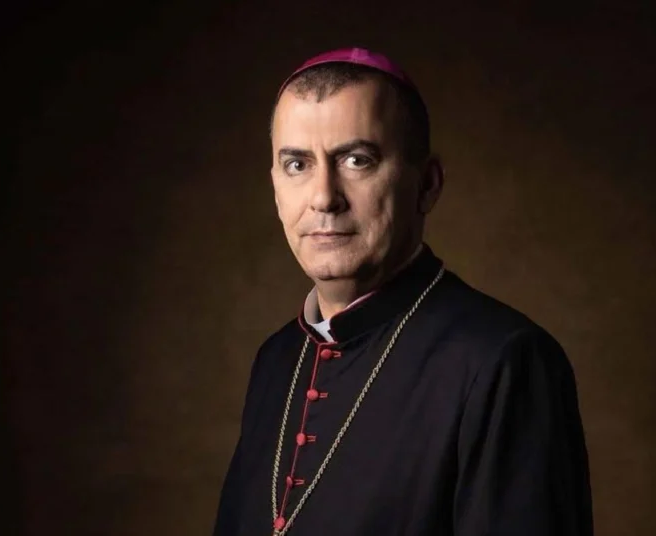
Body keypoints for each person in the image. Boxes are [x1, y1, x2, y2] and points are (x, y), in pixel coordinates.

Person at [213, 47, 592, 536]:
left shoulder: (505, 360)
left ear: (427, 185)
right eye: (297, 165)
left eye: (357, 160)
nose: (324, 197)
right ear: (275, 188)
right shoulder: (276, 359)